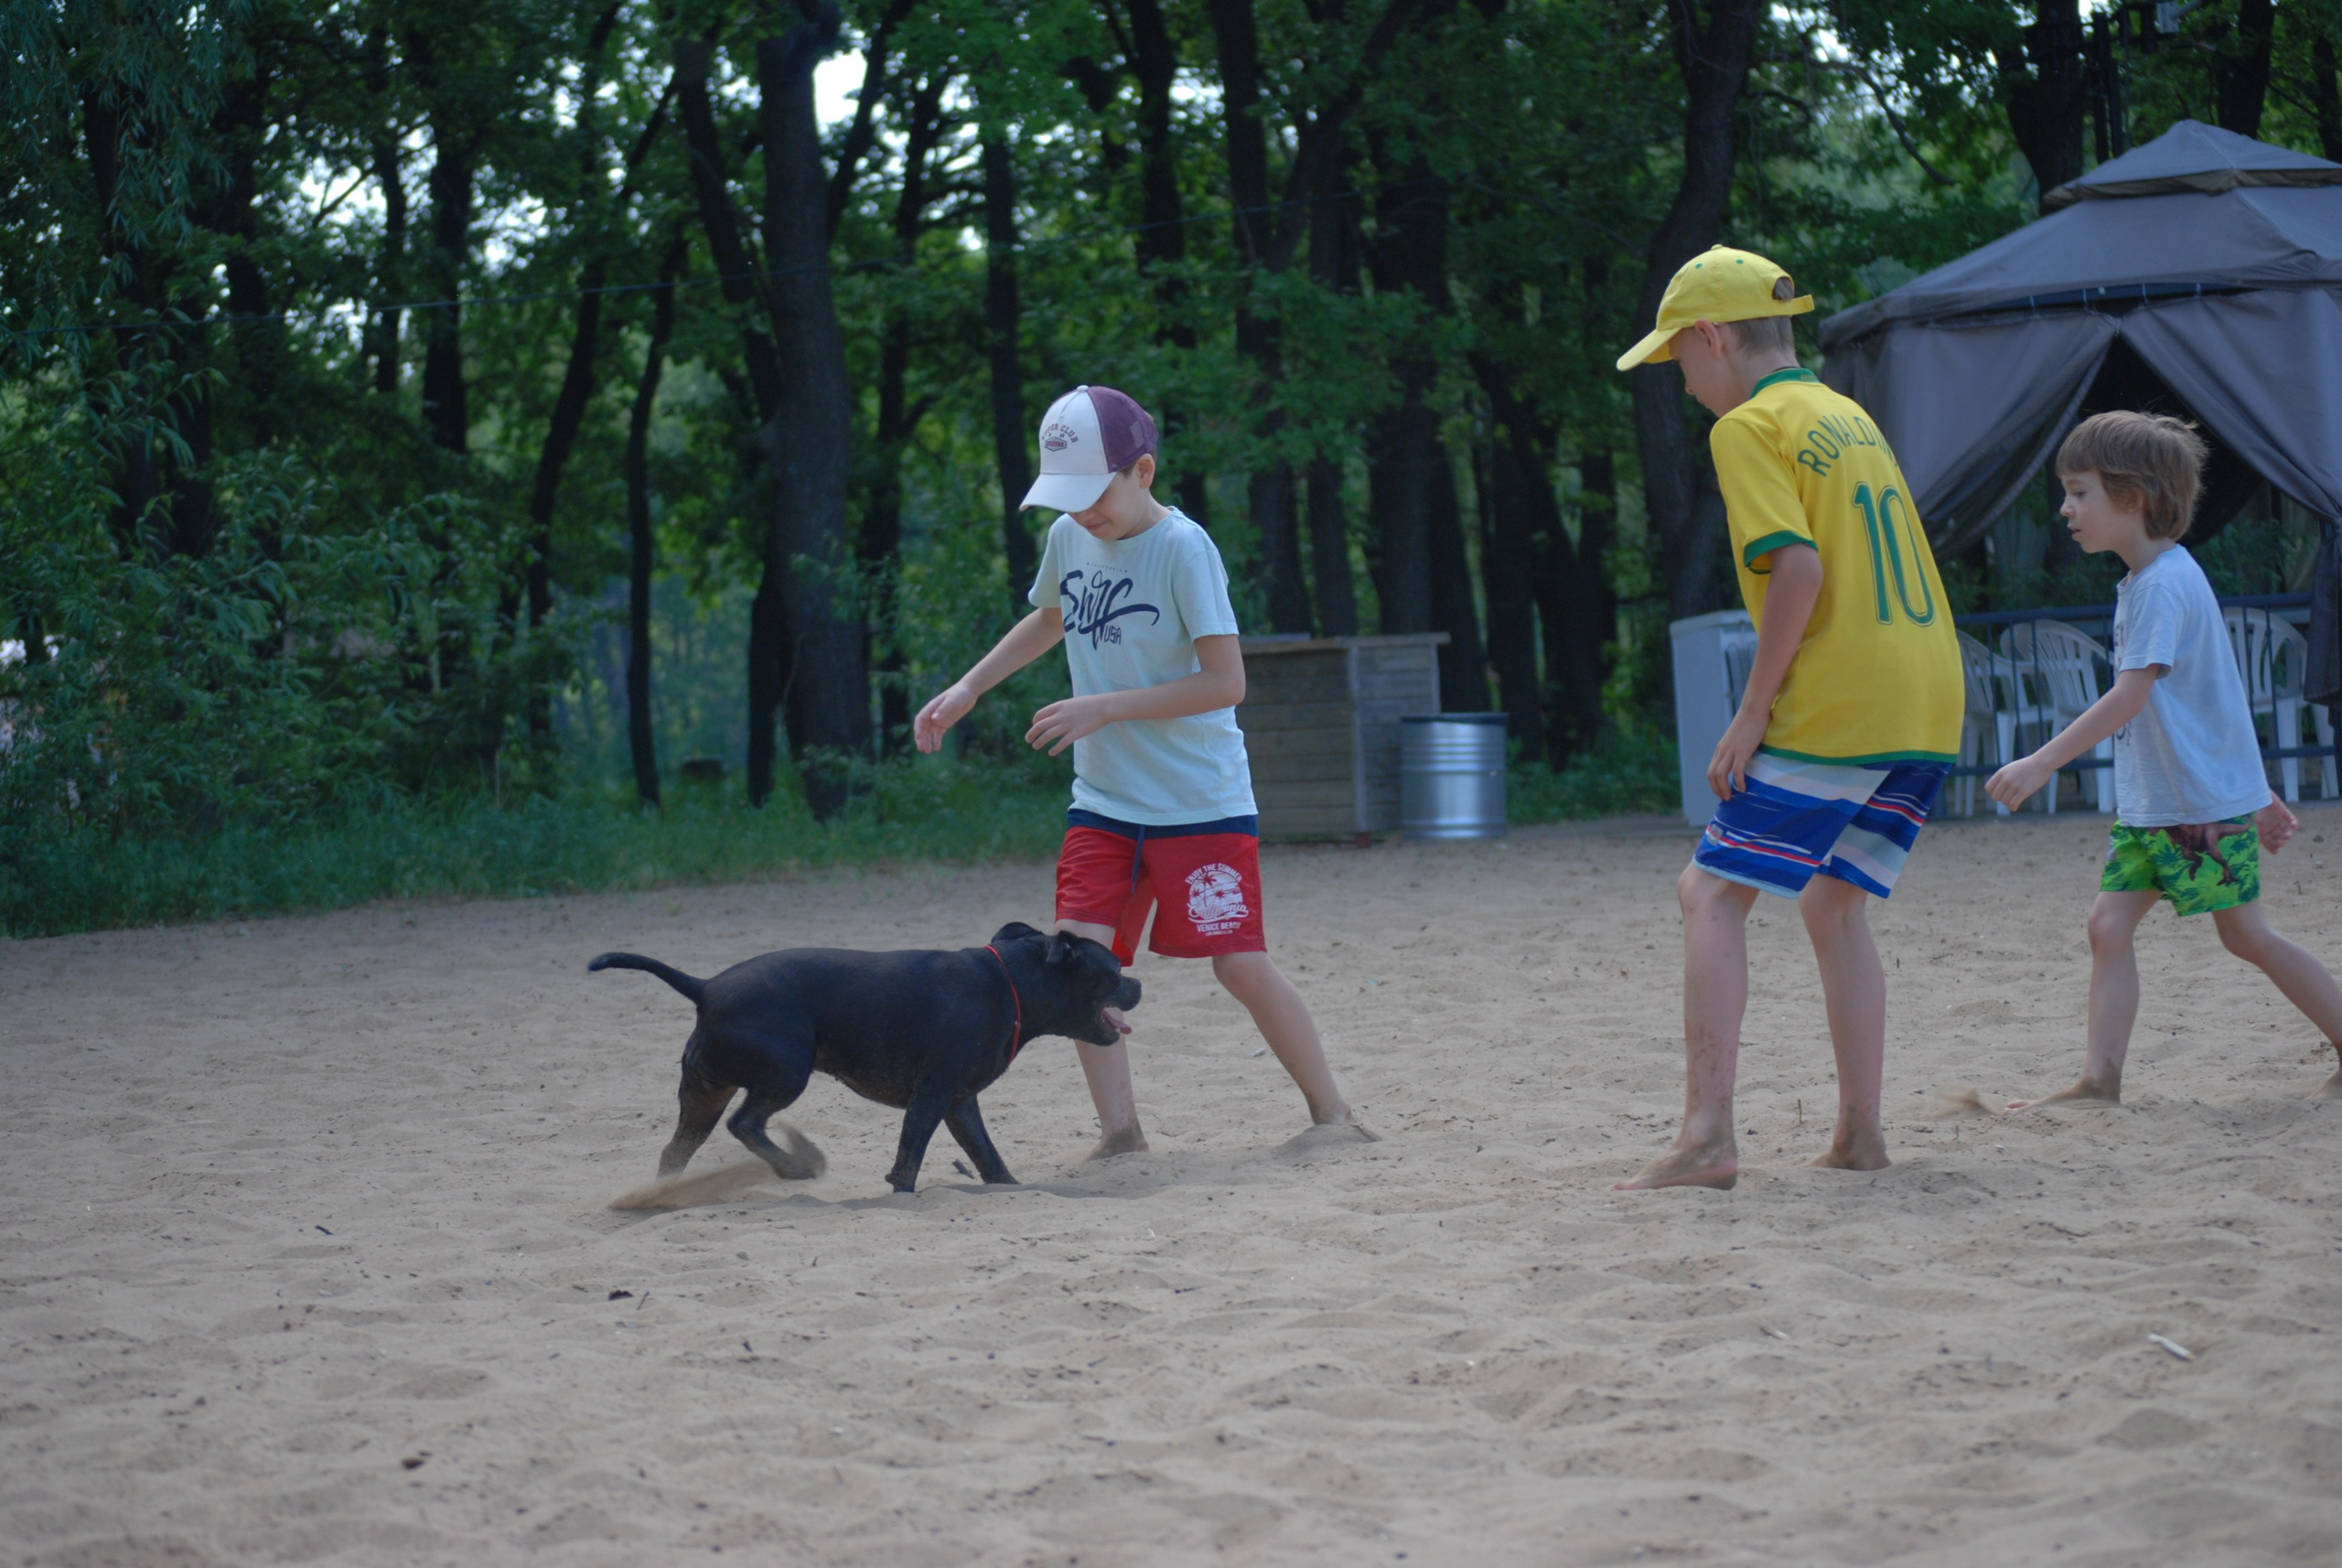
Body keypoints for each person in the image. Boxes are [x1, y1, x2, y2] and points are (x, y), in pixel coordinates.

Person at [914, 384, 1359, 1157]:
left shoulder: (1184, 549)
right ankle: (1122, 1137)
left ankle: (1332, 1116)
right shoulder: (1069, 537)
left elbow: (1227, 684)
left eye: (1094, 494)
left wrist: (1107, 707)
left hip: (1200, 802)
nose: (1083, 513)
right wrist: (969, 686)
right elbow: (1050, 618)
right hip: (1106, 801)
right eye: (1066, 498)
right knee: (1079, 964)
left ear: (1142, 471)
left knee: (1239, 965)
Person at [1610, 246, 1964, 1190]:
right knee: (1831, 901)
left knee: (1709, 891)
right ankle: (1858, 1133)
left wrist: (1751, 710)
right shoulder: (1844, 415)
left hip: (1844, 692)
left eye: (1678, 358)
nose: (1681, 384)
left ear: (1715, 337)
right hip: (1928, 692)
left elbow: (1797, 570)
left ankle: (1707, 1135)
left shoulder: (1750, 425)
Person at [1991, 412, 2342, 1107]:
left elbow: (2130, 696)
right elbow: (2220, 696)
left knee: (2247, 937)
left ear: (2136, 496)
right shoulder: (2152, 579)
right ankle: (2100, 1081)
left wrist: (2043, 761)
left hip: (2193, 811)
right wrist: (2259, 789)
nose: (2065, 509)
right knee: (2108, 926)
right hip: (2164, 805)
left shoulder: (2159, 585)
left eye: (2080, 491)